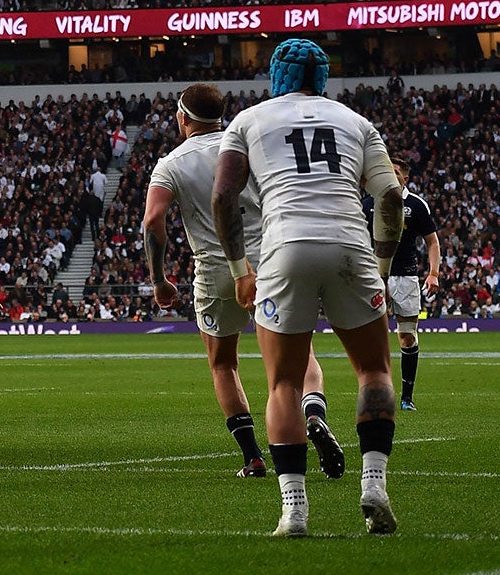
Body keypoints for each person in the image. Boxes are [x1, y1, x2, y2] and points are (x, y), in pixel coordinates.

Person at [214, 38, 405, 537]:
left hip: (284, 248)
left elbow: (223, 195)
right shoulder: (356, 122)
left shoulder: (248, 120)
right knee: (373, 370)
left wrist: (239, 269)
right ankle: (374, 483)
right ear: (321, 77)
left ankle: (294, 511)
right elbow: (389, 194)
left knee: (284, 384)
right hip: (348, 243)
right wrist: (380, 265)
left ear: (276, 75)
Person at [143, 83, 345, 479]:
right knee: (300, 352)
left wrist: (158, 278)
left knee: (222, 363)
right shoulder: (250, 144)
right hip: (271, 258)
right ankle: (314, 412)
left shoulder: (170, 163)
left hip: (216, 269)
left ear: (183, 118)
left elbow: (153, 220)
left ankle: (253, 457)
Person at [380, 160, 440, 411]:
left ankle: (406, 397)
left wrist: (433, 273)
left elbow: (432, 242)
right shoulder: (371, 202)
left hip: (405, 278)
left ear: (406, 177)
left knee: (406, 337)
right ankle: (379, 395)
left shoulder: (416, 205)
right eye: (388, 172)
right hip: (375, 278)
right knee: (374, 338)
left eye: (396, 173)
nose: (392, 176)